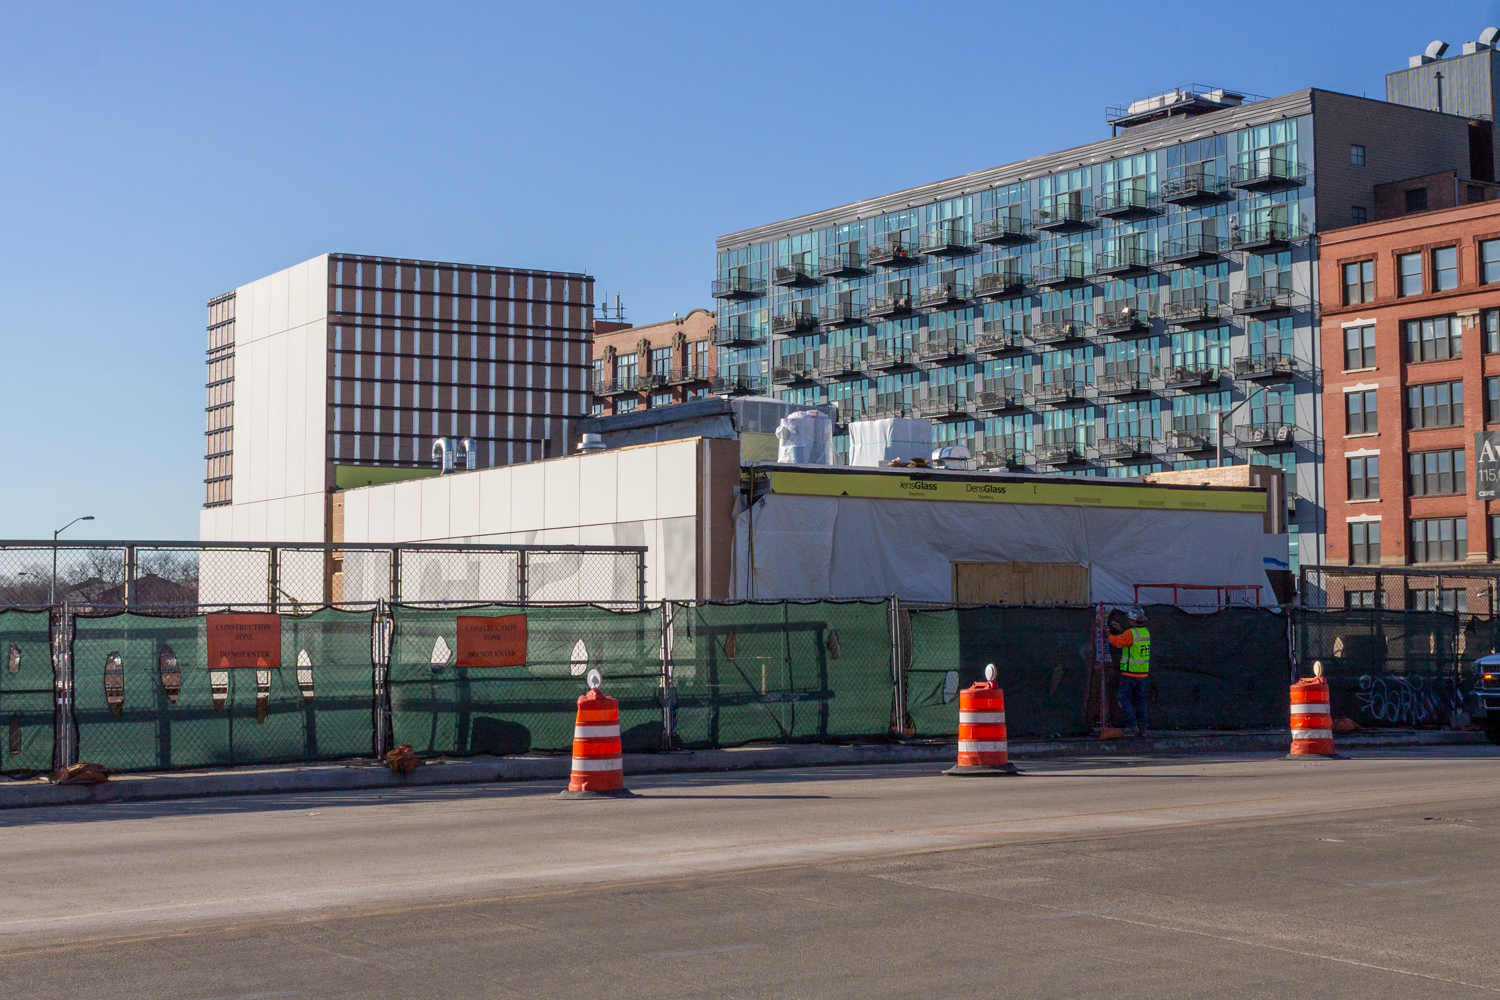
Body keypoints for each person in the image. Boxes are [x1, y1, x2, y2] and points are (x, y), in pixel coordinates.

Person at [1108, 607, 1151, 737]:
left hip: (1130, 673)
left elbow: (1118, 642)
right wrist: (1121, 630)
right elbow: (1130, 637)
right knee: (1139, 700)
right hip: (1142, 673)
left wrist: (1107, 633)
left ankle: (1132, 725)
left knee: (1122, 698)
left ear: (1132, 620)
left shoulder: (1130, 633)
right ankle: (1143, 727)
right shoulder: (1145, 632)